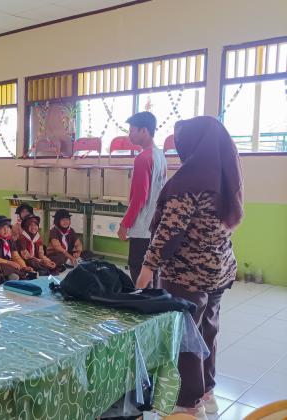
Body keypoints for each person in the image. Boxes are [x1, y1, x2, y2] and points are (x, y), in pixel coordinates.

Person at [136, 116, 243, 419]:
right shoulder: (225, 176)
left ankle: (188, 404)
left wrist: (147, 268)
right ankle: (207, 393)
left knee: (185, 337)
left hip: (188, 275)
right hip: (219, 271)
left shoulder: (189, 182)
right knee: (208, 330)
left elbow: (169, 231)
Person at [118, 111, 167, 281]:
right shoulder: (160, 155)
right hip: (156, 224)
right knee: (153, 270)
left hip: (143, 226)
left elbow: (140, 197)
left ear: (144, 131)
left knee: (138, 269)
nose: (129, 135)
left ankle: (142, 297)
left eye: (132, 130)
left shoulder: (142, 158)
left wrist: (125, 224)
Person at [0, 215, 33, 280]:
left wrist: (23, 266)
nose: (6, 230)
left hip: (5, 264)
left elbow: (16, 256)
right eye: (2, 228)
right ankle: (9, 276)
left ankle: (18, 274)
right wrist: (9, 263)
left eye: (8, 227)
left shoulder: (10, 240)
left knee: (18, 266)